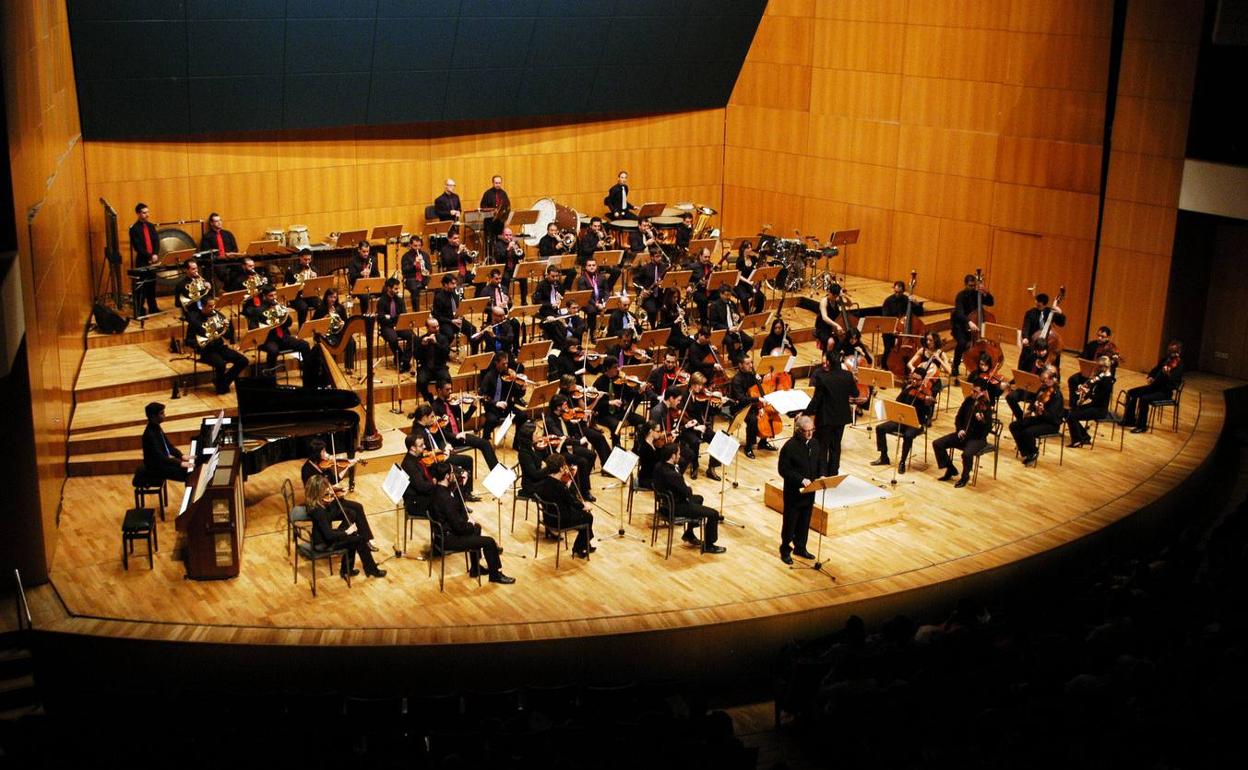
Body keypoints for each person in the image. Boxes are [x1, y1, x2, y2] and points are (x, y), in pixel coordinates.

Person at [427, 462, 515, 584]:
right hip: (450, 539)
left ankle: (475, 567)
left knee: (477, 528)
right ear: (447, 476)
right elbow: (459, 527)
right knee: (489, 542)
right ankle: (496, 575)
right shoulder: (446, 499)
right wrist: (470, 524)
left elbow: (457, 506)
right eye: (452, 473)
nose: (454, 475)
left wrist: (461, 488)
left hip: (441, 535)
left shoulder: (437, 491)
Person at [304, 476, 386, 579]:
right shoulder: (318, 511)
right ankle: (371, 570)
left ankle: (347, 570)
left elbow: (329, 516)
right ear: (317, 493)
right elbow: (329, 535)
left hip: (324, 537)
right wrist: (346, 532)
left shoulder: (315, 504)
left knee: (351, 514)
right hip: (323, 544)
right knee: (358, 539)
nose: (329, 492)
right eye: (325, 491)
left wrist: (337, 499)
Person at [300, 439, 376, 550]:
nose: (326, 454)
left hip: (330, 499)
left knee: (357, 507)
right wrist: (331, 492)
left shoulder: (323, 465)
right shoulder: (307, 470)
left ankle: (366, 539)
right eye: (323, 451)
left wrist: (347, 466)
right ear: (317, 453)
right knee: (352, 512)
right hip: (320, 503)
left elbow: (333, 480)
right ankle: (343, 537)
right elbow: (312, 491)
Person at [653, 444, 725, 554]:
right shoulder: (673, 475)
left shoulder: (658, 466)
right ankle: (709, 545)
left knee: (699, 499)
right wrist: (687, 485)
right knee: (713, 514)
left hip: (665, 505)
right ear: (672, 456)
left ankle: (689, 533)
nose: (679, 456)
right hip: (677, 507)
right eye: (678, 454)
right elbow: (688, 494)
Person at [870, 372, 936, 474]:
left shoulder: (927, 393)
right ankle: (884, 457)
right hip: (902, 420)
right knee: (880, 428)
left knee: (908, 435)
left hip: (916, 423)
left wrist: (928, 405)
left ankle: (902, 462)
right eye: (913, 378)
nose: (914, 381)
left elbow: (928, 415)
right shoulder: (908, 389)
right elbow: (897, 402)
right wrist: (906, 390)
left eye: (917, 380)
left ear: (923, 381)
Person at [412, 404, 480, 501]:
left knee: (467, 460)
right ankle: (462, 497)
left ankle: (464, 494)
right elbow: (428, 453)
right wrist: (444, 451)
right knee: (465, 466)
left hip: (439, 456)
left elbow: (438, 434)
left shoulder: (424, 426)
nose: (434, 419)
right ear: (424, 418)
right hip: (435, 462)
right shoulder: (419, 433)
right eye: (431, 416)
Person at [777, 415, 822, 565]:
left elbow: (819, 463)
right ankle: (785, 549)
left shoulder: (815, 443)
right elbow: (783, 470)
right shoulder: (790, 446)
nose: (809, 434)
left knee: (804, 521)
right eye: (806, 431)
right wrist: (801, 480)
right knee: (790, 522)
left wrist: (821, 477)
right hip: (794, 492)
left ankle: (800, 547)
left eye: (812, 430)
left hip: (810, 492)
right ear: (798, 430)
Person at [534, 454, 596, 559]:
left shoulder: (544, 483)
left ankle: (585, 544)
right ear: (561, 468)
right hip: (560, 520)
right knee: (588, 517)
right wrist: (584, 506)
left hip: (548, 518)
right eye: (564, 466)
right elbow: (572, 501)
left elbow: (566, 499)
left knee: (583, 516)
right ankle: (579, 547)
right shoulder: (560, 487)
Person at [933, 382, 994, 488]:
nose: (972, 393)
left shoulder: (986, 406)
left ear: (983, 393)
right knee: (937, 443)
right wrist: (960, 429)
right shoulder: (968, 400)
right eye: (972, 390)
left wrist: (982, 421)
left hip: (977, 439)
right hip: (962, 435)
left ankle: (965, 477)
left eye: (975, 391)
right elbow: (958, 417)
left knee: (966, 454)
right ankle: (951, 469)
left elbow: (987, 429)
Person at [806, 348, 855, 475]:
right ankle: (833, 472)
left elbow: (816, 400)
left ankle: (822, 474)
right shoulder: (848, 375)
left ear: (828, 362)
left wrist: (805, 413)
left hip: (826, 417)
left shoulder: (823, 378)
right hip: (842, 417)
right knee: (836, 445)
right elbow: (855, 393)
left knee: (823, 447)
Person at [431, 379, 499, 470]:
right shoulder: (434, 408)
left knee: (485, 443)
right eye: (447, 390)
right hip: (446, 439)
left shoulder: (453, 403)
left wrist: (473, 406)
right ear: (439, 390)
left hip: (459, 436)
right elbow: (439, 431)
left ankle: (496, 472)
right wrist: (455, 436)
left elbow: (464, 418)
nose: (450, 392)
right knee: (449, 455)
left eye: (451, 389)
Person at [186, 297, 247, 394]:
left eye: (213, 306)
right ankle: (221, 386)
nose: (212, 308)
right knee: (221, 364)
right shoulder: (195, 321)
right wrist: (199, 343)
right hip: (206, 350)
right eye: (209, 306)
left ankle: (222, 382)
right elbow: (188, 340)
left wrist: (226, 329)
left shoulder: (218, 316)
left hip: (220, 347)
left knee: (243, 361)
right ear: (202, 307)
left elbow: (228, 335)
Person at [1123, 341, 1184, 434]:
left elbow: (1174, 384)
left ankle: (1141, 426)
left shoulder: (1179, 366)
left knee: (1144, 399)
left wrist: (1168, 375)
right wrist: (1151, 376)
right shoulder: (1165, 361)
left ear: (1178, 352)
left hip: (1165, 392)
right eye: (1169, 351)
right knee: (1131, 392)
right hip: (1154, 387)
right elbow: (1154, 371)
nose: (1170, 354)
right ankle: (1129, 420)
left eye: (1173, 351)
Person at [543, 396, 601, 492]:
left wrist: (583, 420)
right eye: (565, 405)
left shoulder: (564, 415)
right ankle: (584, 490)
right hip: (559, 449)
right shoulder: (550, 420)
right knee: (582, 461)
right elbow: (562, 438)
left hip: (570, 445)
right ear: (558, 407)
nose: (567, 407)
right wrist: (579, 442)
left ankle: (579, 483)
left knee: (592, 455)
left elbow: (572, 430)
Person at [1009, 365, 1064, 465]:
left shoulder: (1057, 396)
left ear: (1053, 380)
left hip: (1051, 424)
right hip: (1040, 419)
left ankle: (1033, 452)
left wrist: (1042, 411)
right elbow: (1036, 400)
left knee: (1027, 432)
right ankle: (1026, 452)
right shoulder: (1043, 389)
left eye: (1044, 381)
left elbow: (1053, 418)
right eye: (1042, 380)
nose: (1042, 383)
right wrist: (1030, 409)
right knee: (1014, 426)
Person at [950, 273, 993, 377]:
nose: (972, 287)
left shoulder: (977, 294)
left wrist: (986, 292)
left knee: (982, 345)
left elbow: (991, 302)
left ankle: (980, 368)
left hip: (975, 327)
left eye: (974, 285)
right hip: (960, 326)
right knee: (962, 343)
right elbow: (959, 313)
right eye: (970, 285)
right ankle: (955, 366)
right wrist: (969, 322)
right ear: (965, 284)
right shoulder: (960, 296)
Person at [1066, 356, 1114, 448]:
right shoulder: (1100, 377)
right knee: (1070, 412)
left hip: (1100, 410)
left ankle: (1077, 440)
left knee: (1072, 416)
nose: (1098, 369)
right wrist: (1083, 391)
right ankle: (1084, 437)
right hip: (1094, 405)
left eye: (1100, 367)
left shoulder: (1108, 381)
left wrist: (1088, 392)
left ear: (1106, 367)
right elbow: (1092, 390)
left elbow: (1098, 397)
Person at [1068, 326, 1121, 403]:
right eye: (1098, 335)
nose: (1099, 338)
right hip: (1089, 372)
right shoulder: (1092, 344)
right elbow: (1084, 356)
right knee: (1072, 380)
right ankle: (1073, 405)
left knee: (1091, 385)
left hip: (1101, 377)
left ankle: (1089, 405)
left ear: (1108, 337)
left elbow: (1114, 364)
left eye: (1102, 336)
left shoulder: (1111, 348)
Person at [141, 402, 190, 483]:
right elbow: (159, 457)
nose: (165, 415)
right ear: (153, 416)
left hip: (162, 462)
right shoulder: (149, 435)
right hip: (155, 468)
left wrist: (181, 455)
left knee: (188, 468)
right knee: (187, 473)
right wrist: (180, 463)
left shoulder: (156, 427)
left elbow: (168, 446)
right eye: (161, 413)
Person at [431, 274, 478, 353]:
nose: (455, 285)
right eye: (452, 284)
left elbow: (461, 306)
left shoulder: (456, 294)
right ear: (445, 284)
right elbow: (437, 316)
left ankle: (474, 354)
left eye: (455, 283)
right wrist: (451, 321)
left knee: (472, 329)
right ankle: (443, 352)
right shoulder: (439, 297)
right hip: (446, 322)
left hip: (457, 319)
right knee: (449, 335)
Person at [129, 202, 161, 315]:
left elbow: (156, 241)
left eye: (147, 212)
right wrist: (149, 256)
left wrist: (155, 254)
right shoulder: (134, 229)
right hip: (142, 260)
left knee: (151, 285)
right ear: (138, 214)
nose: (147, 215)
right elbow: (138, 247)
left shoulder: (151, 226)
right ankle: (140, 309)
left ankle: (153, 307)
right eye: (144, 213)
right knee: (141, 286)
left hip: (153, 259)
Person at [1019, 291, 1066, 368]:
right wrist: (1025, 338)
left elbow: (1061, 323)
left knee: (1055, 354)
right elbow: (1026, 327)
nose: (1037, 306)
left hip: (1047, 343)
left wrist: (1060, 313)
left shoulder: (1050, 311)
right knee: (1025, 353)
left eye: (1039, 305)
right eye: (1036, 304)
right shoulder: (1030, 313)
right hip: (1033, 342)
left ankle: (1053, 373)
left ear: (1045, 305)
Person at [377, 277, 413, 374]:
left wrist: (391, 318)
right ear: (389, 288)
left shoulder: (400, 300)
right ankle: (400, 358)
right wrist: (392, 320)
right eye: (395, 289)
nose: (398, 291)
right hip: (387, 326)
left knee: (412, 336)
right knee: (393, 338)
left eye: (398, 288)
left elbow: (403, 315)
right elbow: (380, 318)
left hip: (399, 324)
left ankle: (404, 361)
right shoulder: (382, 301)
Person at [314, 288, 356, 370]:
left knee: (350, 341)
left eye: (335, 297)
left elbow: (345, 322)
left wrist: (341, 322)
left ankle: (349, 367)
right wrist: (324, 319)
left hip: (338, 332)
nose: (333, 299)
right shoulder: (320, 309)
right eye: (331, 297)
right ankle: (331, 367)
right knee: (331, 344)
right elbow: (314, 324)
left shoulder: (340, 308)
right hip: (326, 334)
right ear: (326, 297)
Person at [710, 286, 753, 364]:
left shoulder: (732, 303)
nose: (728, 297)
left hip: (734, 329)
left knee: (749, 340)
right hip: (723, 331)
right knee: (729, 341)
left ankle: (735, 355)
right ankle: (736, 362)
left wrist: (738, 317)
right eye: (726, 295)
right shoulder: (714, 306)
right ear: (721, 294)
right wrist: (728, 329)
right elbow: (713, 323)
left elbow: (738, 318)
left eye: (729, 295)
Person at [576, 257, 612, 340]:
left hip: (601, 301)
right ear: (585, 267)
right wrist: (596, 304)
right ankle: (592, 334)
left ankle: (609, 333)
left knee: (613, 308)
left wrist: (604, 302)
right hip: (588, 302)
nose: (592, 267)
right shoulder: (582, 278)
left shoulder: (601, 277)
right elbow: (584, 296)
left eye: (593, 265)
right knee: (592, 311)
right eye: (589, 265)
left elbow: (607, 291)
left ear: (597, 266)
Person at [284, 249, 321, 325]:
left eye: (309, 259)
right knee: (303, 308)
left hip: (309, 295)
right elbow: (285, 286)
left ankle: (313, 324)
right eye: (305, 259)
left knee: (321, 304)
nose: (307, 262)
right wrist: (299, 282)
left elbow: (317, 286)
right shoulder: (292, 270)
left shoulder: (313, 269)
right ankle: (301, 328)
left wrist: (315, 279)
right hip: (296, 297)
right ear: (300, 258)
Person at [880, 280, 910, 364]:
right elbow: (886, 318)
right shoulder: (888, 301)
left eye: (899, 293)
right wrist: (892, 329)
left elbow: (914, 313)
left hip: (902, 329)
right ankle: (885, 366)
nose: (897, 294)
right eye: (896, 292)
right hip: (889, 330)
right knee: (888, 350)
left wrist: (916, 303)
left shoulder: (906, 300)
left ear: (903, 291)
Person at [400, 235, 430, 309]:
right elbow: (404, 270)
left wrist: (424, 266)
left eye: (419, 246)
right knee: (415, 289)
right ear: (410, 245)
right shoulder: (406, 256)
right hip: (411, 278)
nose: (417, 248)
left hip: (424, 277)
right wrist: (413, 264)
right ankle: (416, 311)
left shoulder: (425, 255)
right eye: (415, 246)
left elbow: (429, 268)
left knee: (437, 286)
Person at [813, 284, 846, 350]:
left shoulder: (836, 300)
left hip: (833, 328)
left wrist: (844, 296)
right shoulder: (824, 301)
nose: (834, 297)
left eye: (836, 296)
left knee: (845, 340)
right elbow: (824, 317)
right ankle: (828, 358)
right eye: (833, 295)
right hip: (822, 329)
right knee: (831, 342)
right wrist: (836, 325)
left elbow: (849, 304)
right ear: (829, 292)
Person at [632, 421, 662, 490]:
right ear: (651, 431)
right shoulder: (645, 447)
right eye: (658, 431)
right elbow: (654, 465)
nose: (660, 434)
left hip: (652, 477)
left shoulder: (653, 444)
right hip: (646, 480)